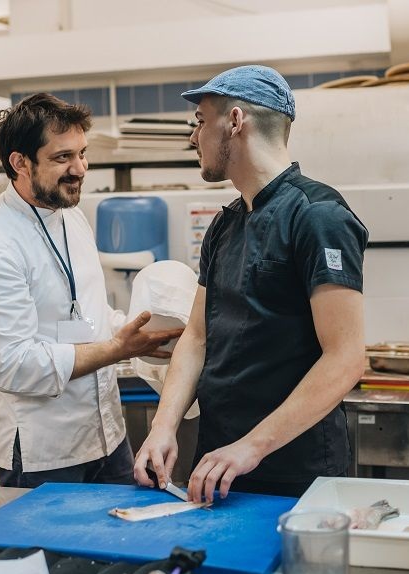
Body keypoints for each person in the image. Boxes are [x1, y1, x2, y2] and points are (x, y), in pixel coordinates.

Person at [133, 65, 369, 502]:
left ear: (235, 121)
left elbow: (346, 359)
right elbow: (197, 337)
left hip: (293, 472)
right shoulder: (225, 224)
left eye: (200, 121)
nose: (194, 137)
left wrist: (251, 448)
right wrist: (163, 426)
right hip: (219, 462)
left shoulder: (318, 216)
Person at [0, 93, 183, 489]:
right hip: (44, 451)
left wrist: (146, 328)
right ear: (20, 163)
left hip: (106, 435)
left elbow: (88, 314)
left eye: (82, 153)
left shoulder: (72, 217)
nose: (80, 169)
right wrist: (117, 349)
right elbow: (12, 364)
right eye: (62, 157)